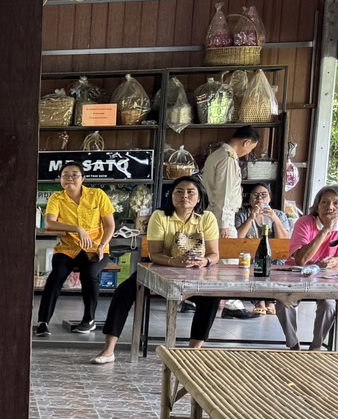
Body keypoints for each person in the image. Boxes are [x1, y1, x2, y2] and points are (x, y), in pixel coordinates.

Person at [88, 176, 221, 364]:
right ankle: (109, 349)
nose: (184, 196)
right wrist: (175, 262)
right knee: (123, 292)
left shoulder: (207, 218)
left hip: (195, 274)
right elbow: (154, 254)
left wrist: (205, 261)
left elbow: (215, 254)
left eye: (191, 192)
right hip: (161, 270)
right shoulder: (160, 216)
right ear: (171, 196)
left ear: (199, 198)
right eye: (179, 192)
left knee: (212, 297)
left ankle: (193, 352)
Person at [279, 184, 338, 351]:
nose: (330, 207)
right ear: (317, 206)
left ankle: (316, 347)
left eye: (336, 203)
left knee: (329, 304)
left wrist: (334, 261)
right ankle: (293, 345)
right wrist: (325, 229)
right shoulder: (305, 222)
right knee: (283, 303)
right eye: (324, 202)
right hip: (298, 277)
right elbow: (301, 260)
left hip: (329, 278)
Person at [35, 163, 115, 338]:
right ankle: (42, 322)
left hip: (96, 248)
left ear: (83, 178)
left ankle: (89, 319)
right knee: (56, 276)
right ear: (60, 179)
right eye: (65, 175)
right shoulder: (57, 198)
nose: (69, 178)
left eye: (74, 174)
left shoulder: (97, 195)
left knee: (89, 274)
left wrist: (102, 245)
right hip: (67, 248)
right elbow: (50, 223)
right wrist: (77, 228)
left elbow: (110, 225)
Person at [202, 126, 263, 319]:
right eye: (250, 148)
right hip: (222, 217)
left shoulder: (217, 155)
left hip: (215, 214)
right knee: (229, 262)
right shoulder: (228, 160)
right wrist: (223, 225)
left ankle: (199, 300)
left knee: (215, 261)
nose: (248, 152)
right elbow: (225, 196)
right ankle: (232, 304)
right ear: (246, 142)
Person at [233, 183, 294, 316]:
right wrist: (251, 218)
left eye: (264, 195)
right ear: (249, 199)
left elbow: (284, 240)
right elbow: (237, 239)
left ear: (269, 199)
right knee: (252, 266)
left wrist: (275, 219)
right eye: (255, 195)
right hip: (251, 256)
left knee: (278, 262)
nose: (260, 198)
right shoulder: (242, 215)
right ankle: (259, 301)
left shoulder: (279, 214)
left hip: (273, 257)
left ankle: (271, 301)